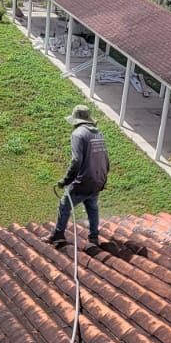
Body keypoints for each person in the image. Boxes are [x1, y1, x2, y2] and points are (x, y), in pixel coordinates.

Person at [49, 105, 111, 247]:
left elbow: (76, 160)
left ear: (76, 121)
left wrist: (66, 180)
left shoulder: (78, 134)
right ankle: (94, 237)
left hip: (84, 180)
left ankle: (58, 235)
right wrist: (102, 178)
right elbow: (106, 160)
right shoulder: (98, 134)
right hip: (98, 180)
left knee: (65, 205)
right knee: (92, 206)